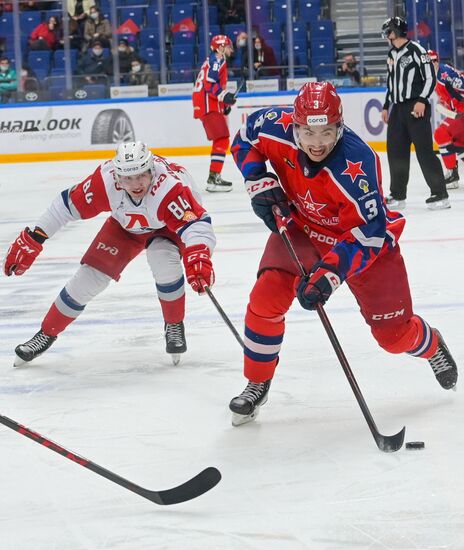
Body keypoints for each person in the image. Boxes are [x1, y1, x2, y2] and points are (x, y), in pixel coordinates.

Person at [228, 81, 458, 426]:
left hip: (362, 244)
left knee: (394, 338)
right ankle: (257, 380)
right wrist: (258, 179)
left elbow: (369, 233)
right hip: (304, 228)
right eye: (307, 132)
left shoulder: (358, 162)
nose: (316, 143)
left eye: (326, 132)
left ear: (340, 127)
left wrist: (329, 275)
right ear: (294, 126)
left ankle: (430, 343)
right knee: (265, 298)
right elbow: (243, 138)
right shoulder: (273, 125)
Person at [3, 141, 216, 367]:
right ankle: (46, 333)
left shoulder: (170, 189)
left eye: (141, 176)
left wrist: (199, 255)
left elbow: (198, 226)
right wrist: (35, 237)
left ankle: (174, 324)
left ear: (152, 170)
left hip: (167, 227)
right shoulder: (104, 183)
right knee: (89, 277)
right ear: (116, 176)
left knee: (162, 258)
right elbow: (64, 206)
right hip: (125, 227)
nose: (135, 184)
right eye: (127, 178)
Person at [381, 16, 449, 210]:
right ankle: (397, 195)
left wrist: (421, 101)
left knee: (424, 151)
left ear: (394, 32)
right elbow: (390, 83)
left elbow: (430, 78)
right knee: (396, 152)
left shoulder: (417, 51)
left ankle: (440, 194)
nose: (386, 35)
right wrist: (386, 106)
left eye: (388, 31)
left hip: (416, 108)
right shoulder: (391, 54)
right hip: (398, 109)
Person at [193, 34, 236, 192]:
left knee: (222, 140)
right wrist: (225, 96)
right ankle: (213, 178)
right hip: (208, 106)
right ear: (221, 47)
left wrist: (224, 104)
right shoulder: (218, 58)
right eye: (228, 46)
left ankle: (214, 176)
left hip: (208, 105)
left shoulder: (212, 59)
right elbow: (210, 84)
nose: (231, 49)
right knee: (222, 139)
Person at [428, 49, 464, 190]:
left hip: (462, 112)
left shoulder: (444, 74)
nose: (431, 64)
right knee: (458, 142)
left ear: (437, 61)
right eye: (428, 62)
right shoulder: (434, 76)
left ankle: (452, 174)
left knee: (441, 134)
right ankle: (452, 173)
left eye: (433, 61)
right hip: (459, 112)